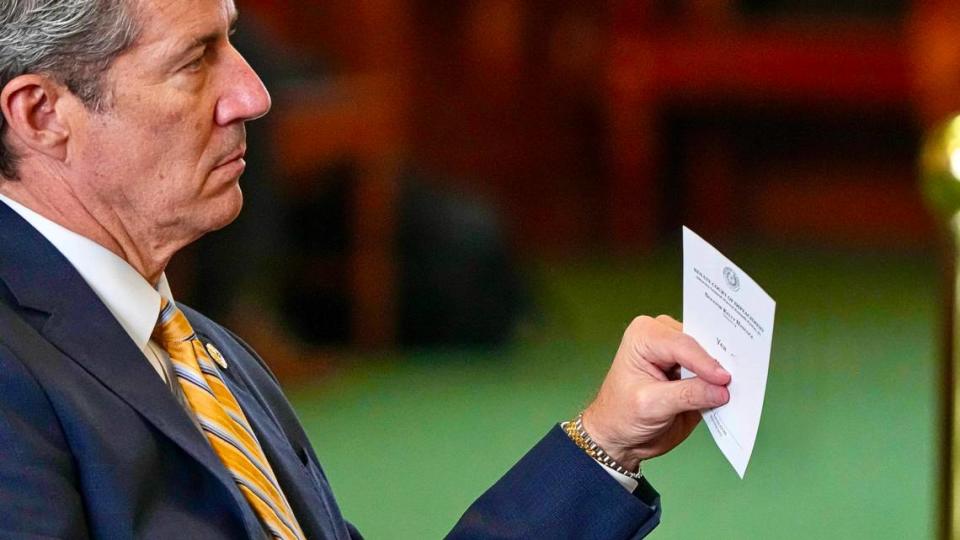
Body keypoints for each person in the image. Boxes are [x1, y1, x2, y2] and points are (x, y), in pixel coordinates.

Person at [0, 0, 731, 538]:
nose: (254, 95)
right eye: (195, 61)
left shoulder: (206, 352)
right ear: (41, 115)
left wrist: (605, 443)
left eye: (234, 41)